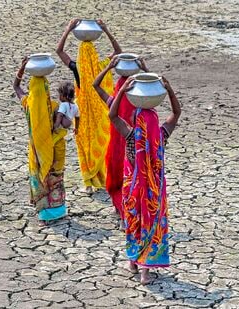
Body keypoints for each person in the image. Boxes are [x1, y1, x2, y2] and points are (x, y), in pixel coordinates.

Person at [108, 76, 181, 284]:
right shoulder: (161, 136)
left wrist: (122, 90)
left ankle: (133, 262)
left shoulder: (131, 136)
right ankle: (145, 272)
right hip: (153, 192)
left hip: (132, 191)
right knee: (151, 225)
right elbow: (176, 113)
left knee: (134, 224)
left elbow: (112, 115)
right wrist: (168, 89)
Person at [56, 18, 122, 194]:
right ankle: (102, 177)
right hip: (100, 112)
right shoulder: (102, 67)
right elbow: (118, 52)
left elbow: (59, 51)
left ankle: (88, 182)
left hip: (82, 114)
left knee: (85, 146)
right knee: (102, 143)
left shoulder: (77, 68)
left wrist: (68, 29)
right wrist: (106, 30)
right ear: (94, 54)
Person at [93, 55, 150, 224]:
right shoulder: (140, 108)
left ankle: (119, 209)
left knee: (117, 180)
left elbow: (95, 85)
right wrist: (145, 70)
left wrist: (109, 67)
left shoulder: (113, 105)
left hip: (117, 149)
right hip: (135, 149)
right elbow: (154, 92)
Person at [14, 57, 68, 226]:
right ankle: (58, 211)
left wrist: (22, 68)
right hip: (54, 150)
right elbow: (67, 124)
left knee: (40, 181)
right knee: (55, 179)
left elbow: (16, 86)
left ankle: (44, 216)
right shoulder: (53, 105)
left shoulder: (28, 104)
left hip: (36, 152)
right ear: (46, 90)